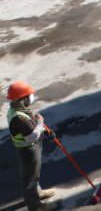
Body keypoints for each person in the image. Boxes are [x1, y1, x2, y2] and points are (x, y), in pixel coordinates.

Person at [7, 80, 57, 210]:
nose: (32, 97)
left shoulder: (17, 109)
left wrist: (44, 130)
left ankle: (37, 193)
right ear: (22, 98)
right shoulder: (20, 118)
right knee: (30, 178)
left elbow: (30, 126)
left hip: (30, 147)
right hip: (28, 150)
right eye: (29, 95)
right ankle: (35, 206)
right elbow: (31, 137)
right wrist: (41, 123)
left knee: (34, 174)